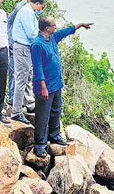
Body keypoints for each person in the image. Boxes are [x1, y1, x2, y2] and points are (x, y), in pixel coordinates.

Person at [30, 16, 93, 158]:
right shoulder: (37, 45)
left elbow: (66, 31)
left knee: (55, 110)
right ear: (47, 28)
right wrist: (43, 87)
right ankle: (39, 145)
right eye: (53, 25)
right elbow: (38, 68)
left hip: (56, 84)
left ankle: (54, 135)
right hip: (45, 87)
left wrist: (81, 24)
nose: (55, 27)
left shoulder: (52, 38)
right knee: (42, 116)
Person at [11, 0, 47, 124]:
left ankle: (29, 103)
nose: (41, 10)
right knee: (21, 79)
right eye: (41, 7)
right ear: (37, 3)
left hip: (27, 48)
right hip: (22, 47)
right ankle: (16, 112)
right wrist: (43, 43)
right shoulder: (26, 12)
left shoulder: (30, 12)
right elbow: (31, 33)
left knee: (28, 77)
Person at [7, 0, 35, 106]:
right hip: (13, 49)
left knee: (24, 76)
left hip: (19, 49)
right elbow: (16, 10)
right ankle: (13, 100)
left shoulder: (22, 21)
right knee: (15, 76)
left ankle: (22, 101)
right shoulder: (11, 20)